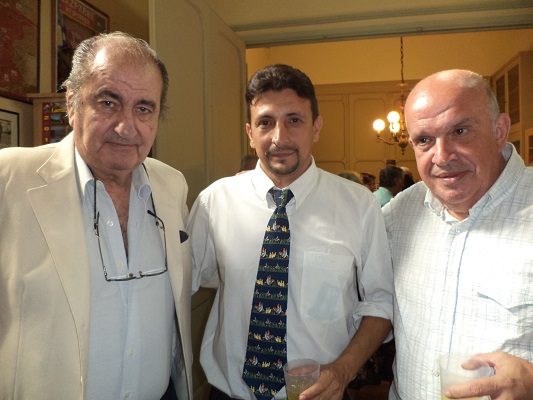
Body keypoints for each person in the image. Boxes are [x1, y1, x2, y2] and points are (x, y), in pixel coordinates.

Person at [0, 32, 193, 400]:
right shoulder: (9, 180)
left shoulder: (172, 186)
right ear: (71, 103)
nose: (126, 127)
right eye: (108, 102)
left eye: (144, 108)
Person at [187, 64, 393, 400]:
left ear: (316, 128)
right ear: (249, 132)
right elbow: (179, 285)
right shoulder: (215, 202)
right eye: (265, 122)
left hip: (321, 393)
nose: (279, 137)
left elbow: (381, 303)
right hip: (229, 393)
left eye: (294, 120)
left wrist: (342, 371)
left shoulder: (358, 205)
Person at [383, 69, 533, 400]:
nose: (442, 156)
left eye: (460, 131)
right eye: (424, 140)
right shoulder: (398, 215)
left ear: (499, 131)